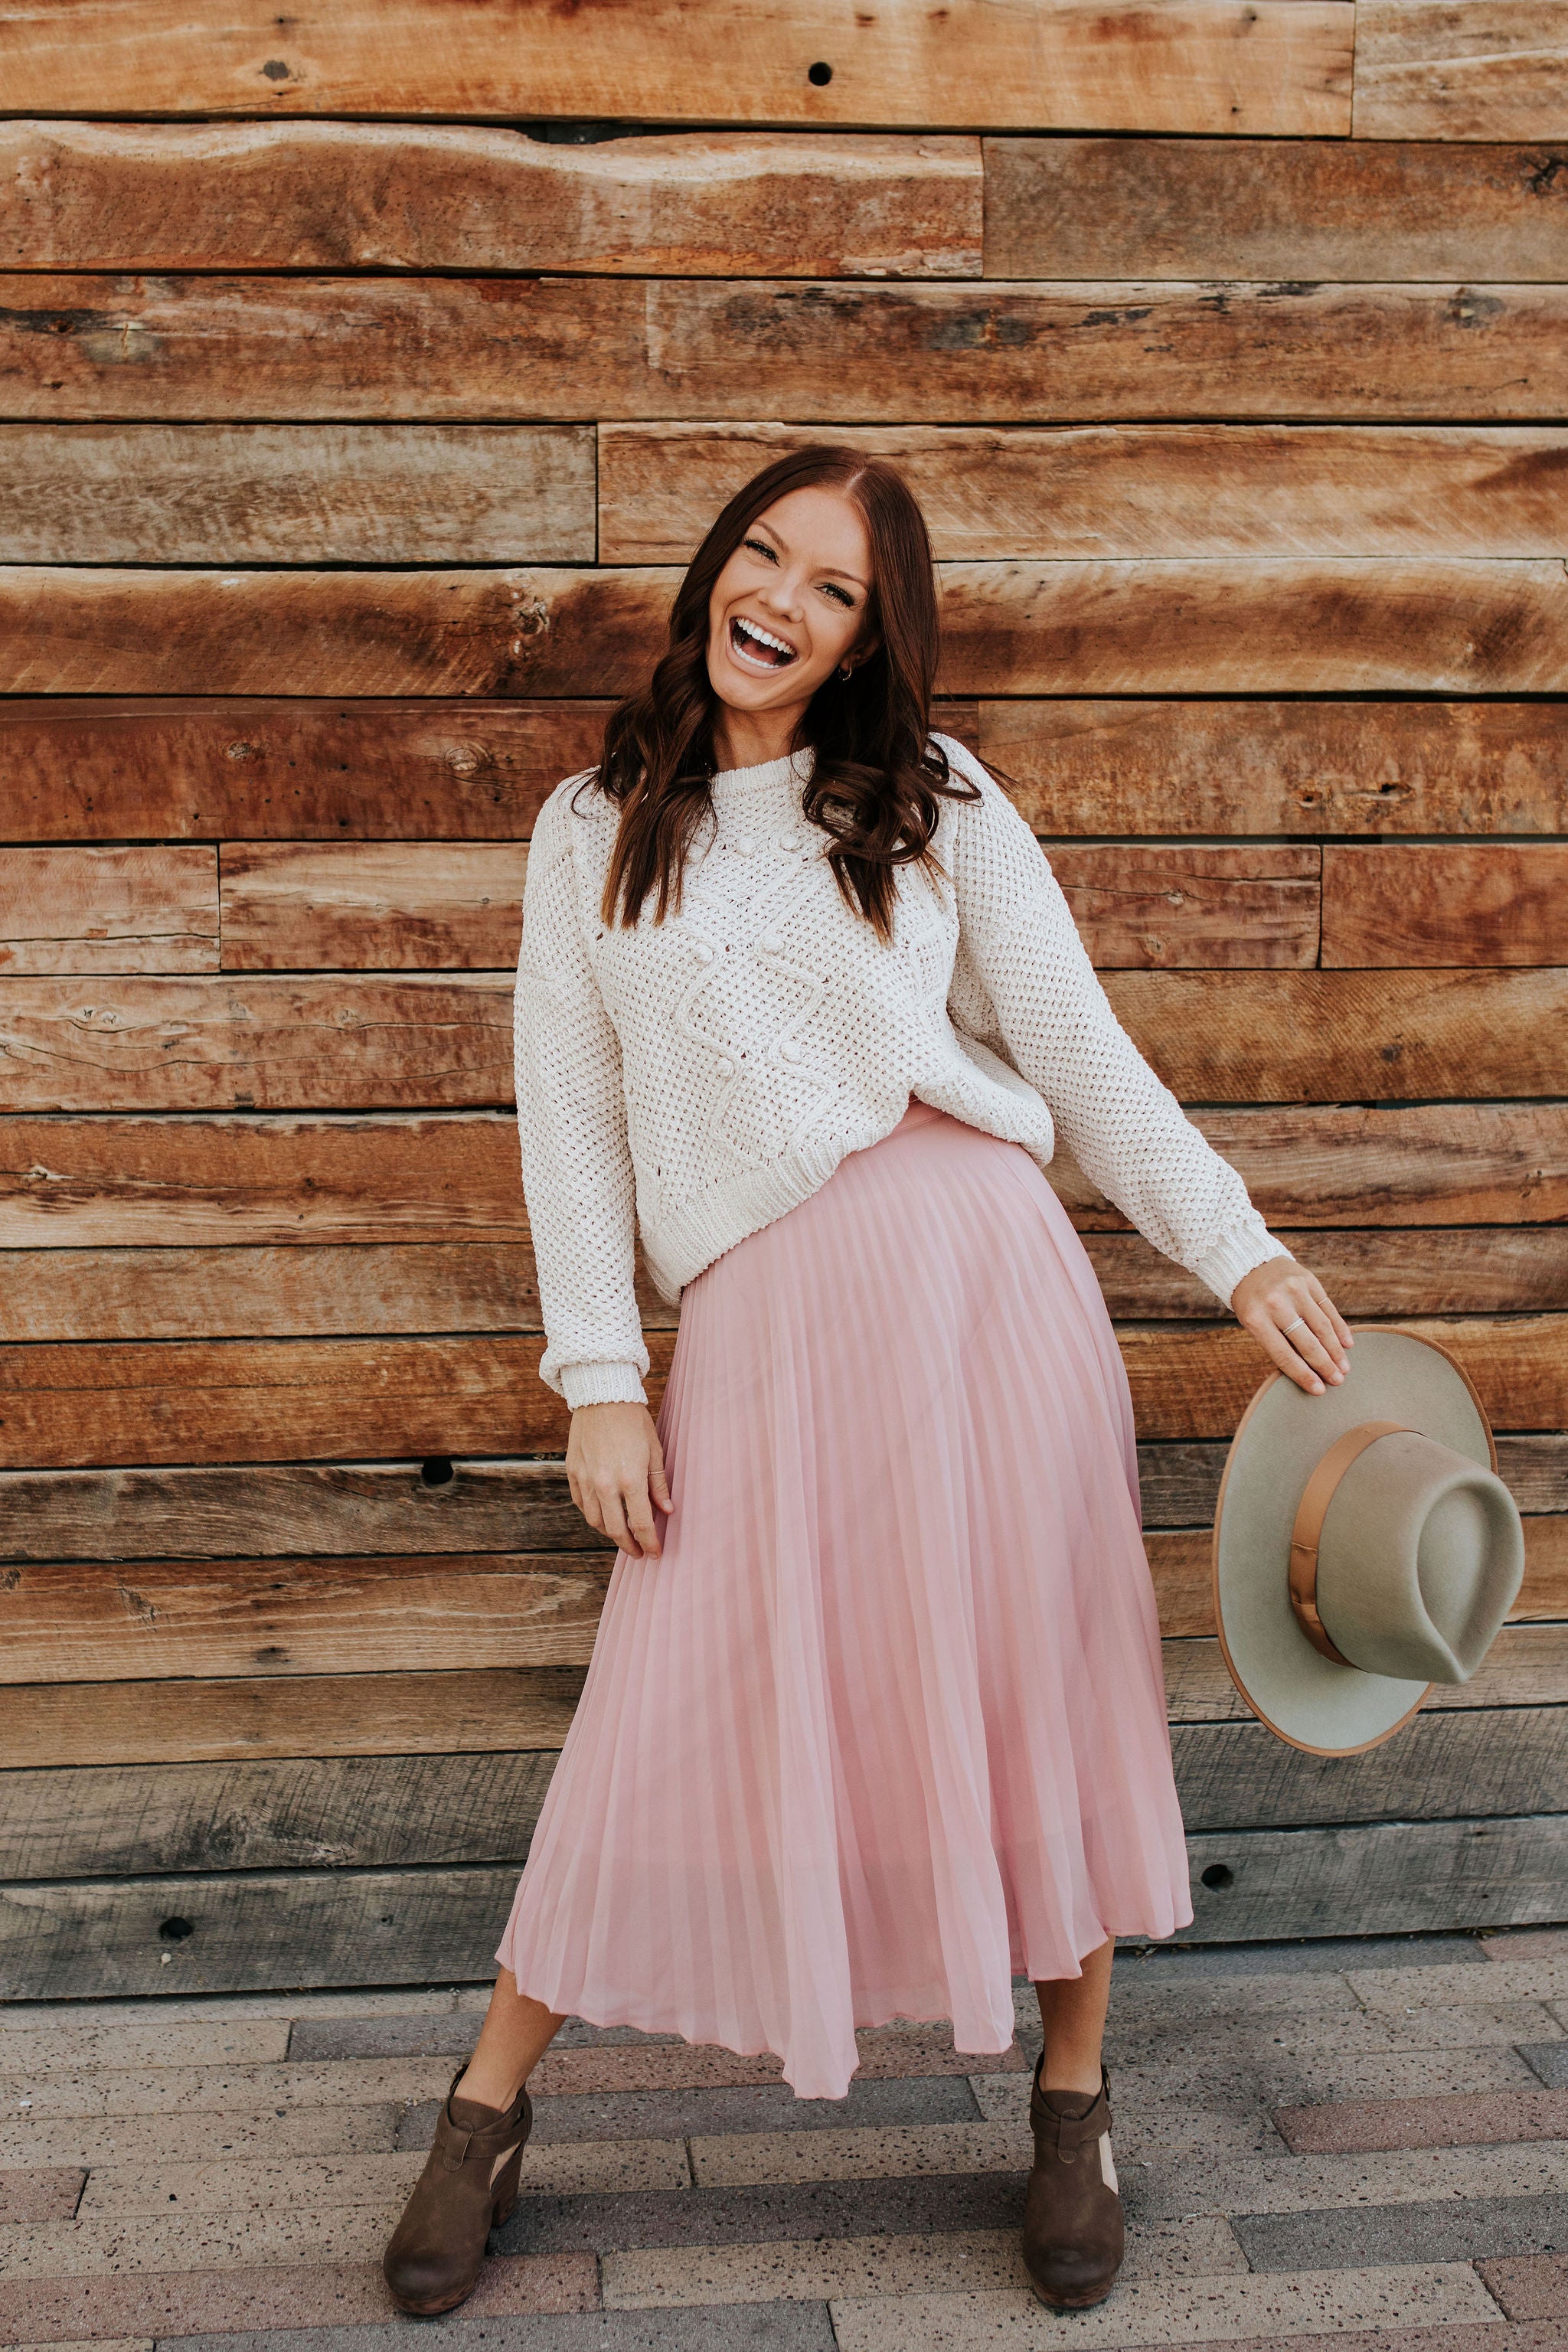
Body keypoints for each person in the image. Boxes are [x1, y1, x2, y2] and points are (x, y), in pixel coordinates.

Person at [383, 446, 1352, 2317]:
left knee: (1037, 1678)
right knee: (665, 1701)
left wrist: (1237, 1248)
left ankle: (1072, 2113)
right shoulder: (593, 824)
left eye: (834, 590)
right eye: (767, 557)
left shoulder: (933, 799)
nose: (784, 602)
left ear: (864, 636)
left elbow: (1082, 1057)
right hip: (763, 1333)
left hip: (988, 1293)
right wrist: (600, 1374)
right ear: (715, 569)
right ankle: (483, 2115)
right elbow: (567, 1123)